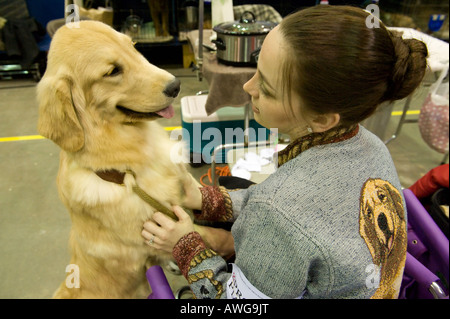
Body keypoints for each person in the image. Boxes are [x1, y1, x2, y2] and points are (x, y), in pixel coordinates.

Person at [142, 5, 428, 299]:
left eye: (266, 88)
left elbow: (233, 303)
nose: (247, 86)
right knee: (231, 187)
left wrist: (185, 245)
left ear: (321, 118)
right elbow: (293, 214)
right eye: (256, 70)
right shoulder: (371, 145)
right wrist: (205, 198)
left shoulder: (277, 210)